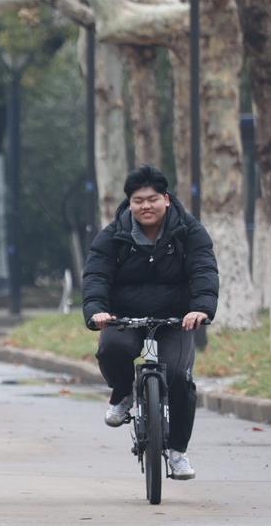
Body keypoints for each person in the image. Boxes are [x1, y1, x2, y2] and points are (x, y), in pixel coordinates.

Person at [82, 164, 218, 481]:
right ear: (129, 203)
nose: (146, 206)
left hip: (175, 320)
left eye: (153, 199)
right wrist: (97, 311)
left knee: (179, 378)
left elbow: (203, 269)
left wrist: (200, 308)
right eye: (138, 200)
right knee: (111, 350)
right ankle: (122, 394)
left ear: (166, 199)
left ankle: (178, 452)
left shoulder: (189, 230)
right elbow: (96, 275)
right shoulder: (113, 234)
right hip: (124, 318)